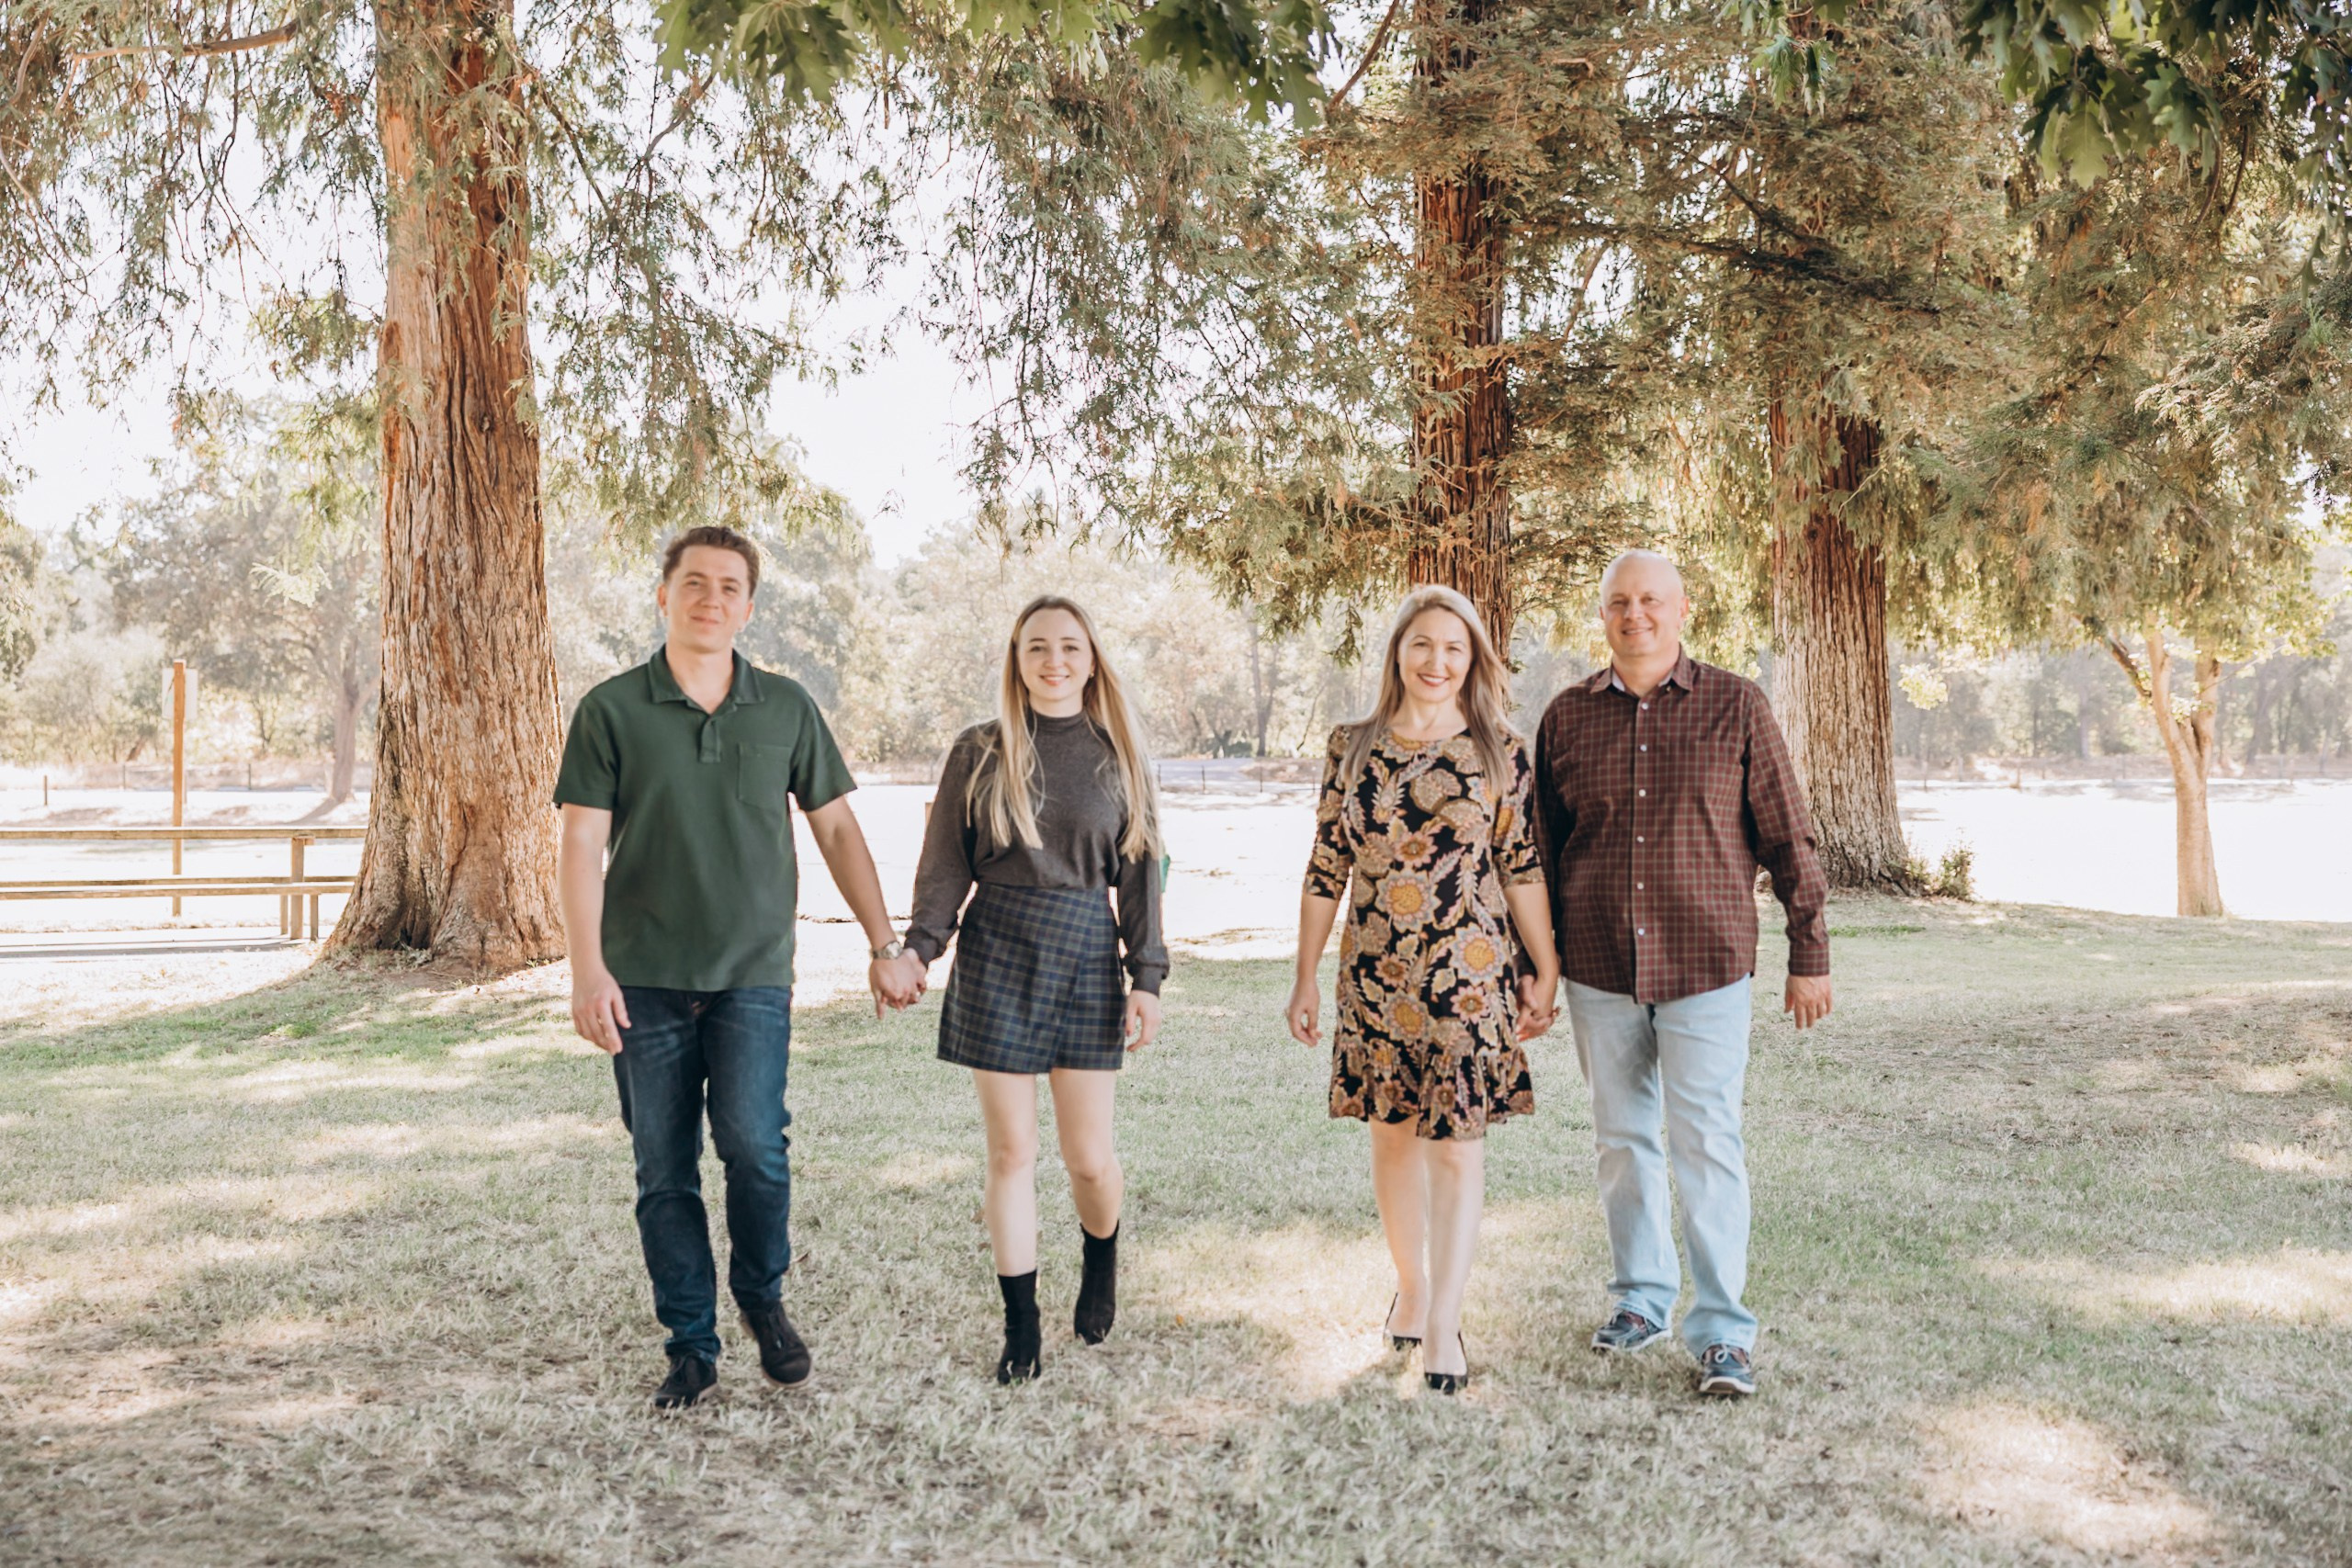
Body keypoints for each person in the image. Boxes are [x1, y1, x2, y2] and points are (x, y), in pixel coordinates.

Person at [555, 525, 920, 1410]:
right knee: (663, 1168)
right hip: (641, 975)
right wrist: (586, 970)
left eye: (729, 587)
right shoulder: (611, 708)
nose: (710, 599)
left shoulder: (786, 707)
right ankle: (691, 1342)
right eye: (694, 583)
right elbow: (580, 840)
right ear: (664, 596)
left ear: (749, 606)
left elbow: (836, 827)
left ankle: (763, 1298)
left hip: (754, 971)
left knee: (756, 1148)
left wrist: (883, 943)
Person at [1530, 547, 1832, 1400]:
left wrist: (1808, 951)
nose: (1637, 614)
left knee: (1706, 1142)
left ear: (1683, 608)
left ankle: (1724, 1332)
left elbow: (1787, 837)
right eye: (1620, 601)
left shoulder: (1737, 705)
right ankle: (1641, 1299)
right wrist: (1536, 968)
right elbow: (1538, 858)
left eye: (1652, 599)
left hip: (1707, 966)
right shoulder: (1565, 718)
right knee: (1622, 1142)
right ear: (1603, 615)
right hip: (1597, 966)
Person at [875, 596, 1168, 1384]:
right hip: (997, 947)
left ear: (1091, 658)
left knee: (1090, 1159)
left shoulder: (1120, 756)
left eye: (1070, 646)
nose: (1054, 660)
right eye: (1037, 647)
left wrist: (1147, 977)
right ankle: (1022, 1325)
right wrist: (916, 950)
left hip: (1083, 951)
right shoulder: (979, 750)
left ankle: (1100, 1257)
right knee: (1011, 1151)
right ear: (1017, 658)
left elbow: (1140, 877)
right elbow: (944, 868)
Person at [1283, 584, 1559, 1394]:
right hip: (1375, 973)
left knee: (1457, 1145)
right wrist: (1305, 974)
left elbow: (1522, 864)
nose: (1437, 662)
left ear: (1472, 660)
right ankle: (1411, 1283)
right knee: (1393, 1136)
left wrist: (1544, 966)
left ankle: (1444, 1319)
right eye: (1422, 645)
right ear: (1397, 653)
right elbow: (1326, 864)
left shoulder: (1500, 749)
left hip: (1469, 976)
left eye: (1454, 648)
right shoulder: (1352, 746)